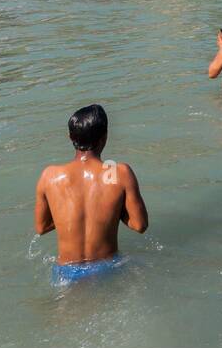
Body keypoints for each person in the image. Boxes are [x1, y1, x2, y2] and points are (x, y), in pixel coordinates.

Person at [34, 104, 148, 284]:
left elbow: (41, 227)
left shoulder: (50, 175)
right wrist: (109, 213)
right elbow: (139, 225)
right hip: (109, 267)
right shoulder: (119, 171)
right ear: (105, 137)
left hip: (66, 272)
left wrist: (69, 216)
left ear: (70, 137)